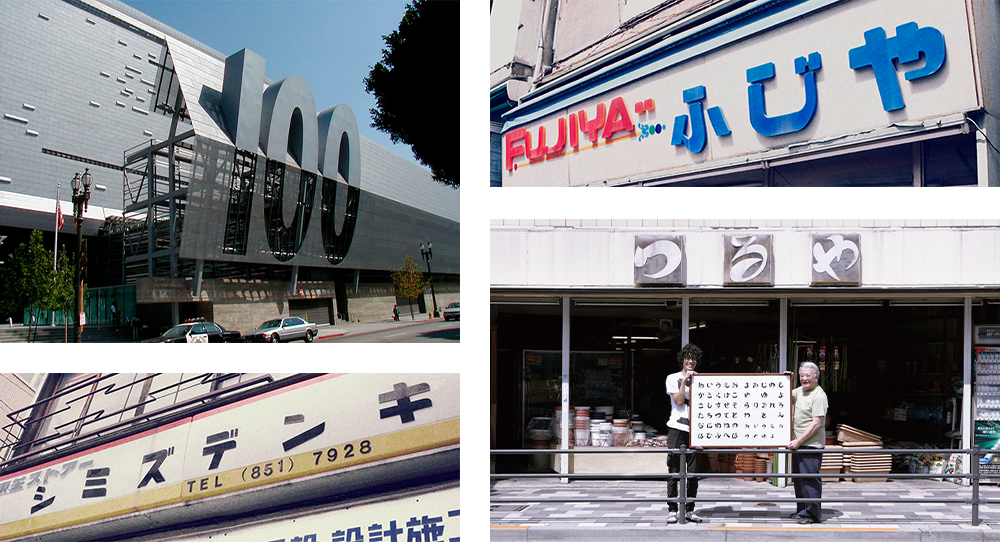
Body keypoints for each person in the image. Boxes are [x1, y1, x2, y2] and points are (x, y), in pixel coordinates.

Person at [665, 343, 704, 524]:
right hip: (676, 428)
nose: (690, 361)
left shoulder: (702, 379)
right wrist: (685, 381)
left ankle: (690, 509)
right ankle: (673, 509)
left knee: (693, 472)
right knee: (674, 469)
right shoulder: (672, 378)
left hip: (696, 430)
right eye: (687, 358)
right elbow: (679, 402)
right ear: (682, 360)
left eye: (693, 358)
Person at [788, 361, 828, 524]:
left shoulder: (819, 395)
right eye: (801, 375)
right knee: (799, 479)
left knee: (810, 479)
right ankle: (802, 510)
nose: (804, 378)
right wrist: (784, 379)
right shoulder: (800, 392)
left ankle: (813, 514)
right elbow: (783, 394)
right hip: (799, 444)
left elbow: (816, 424)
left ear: (816, 377)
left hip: (810, 445)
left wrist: (798, 441)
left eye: (808, 376)